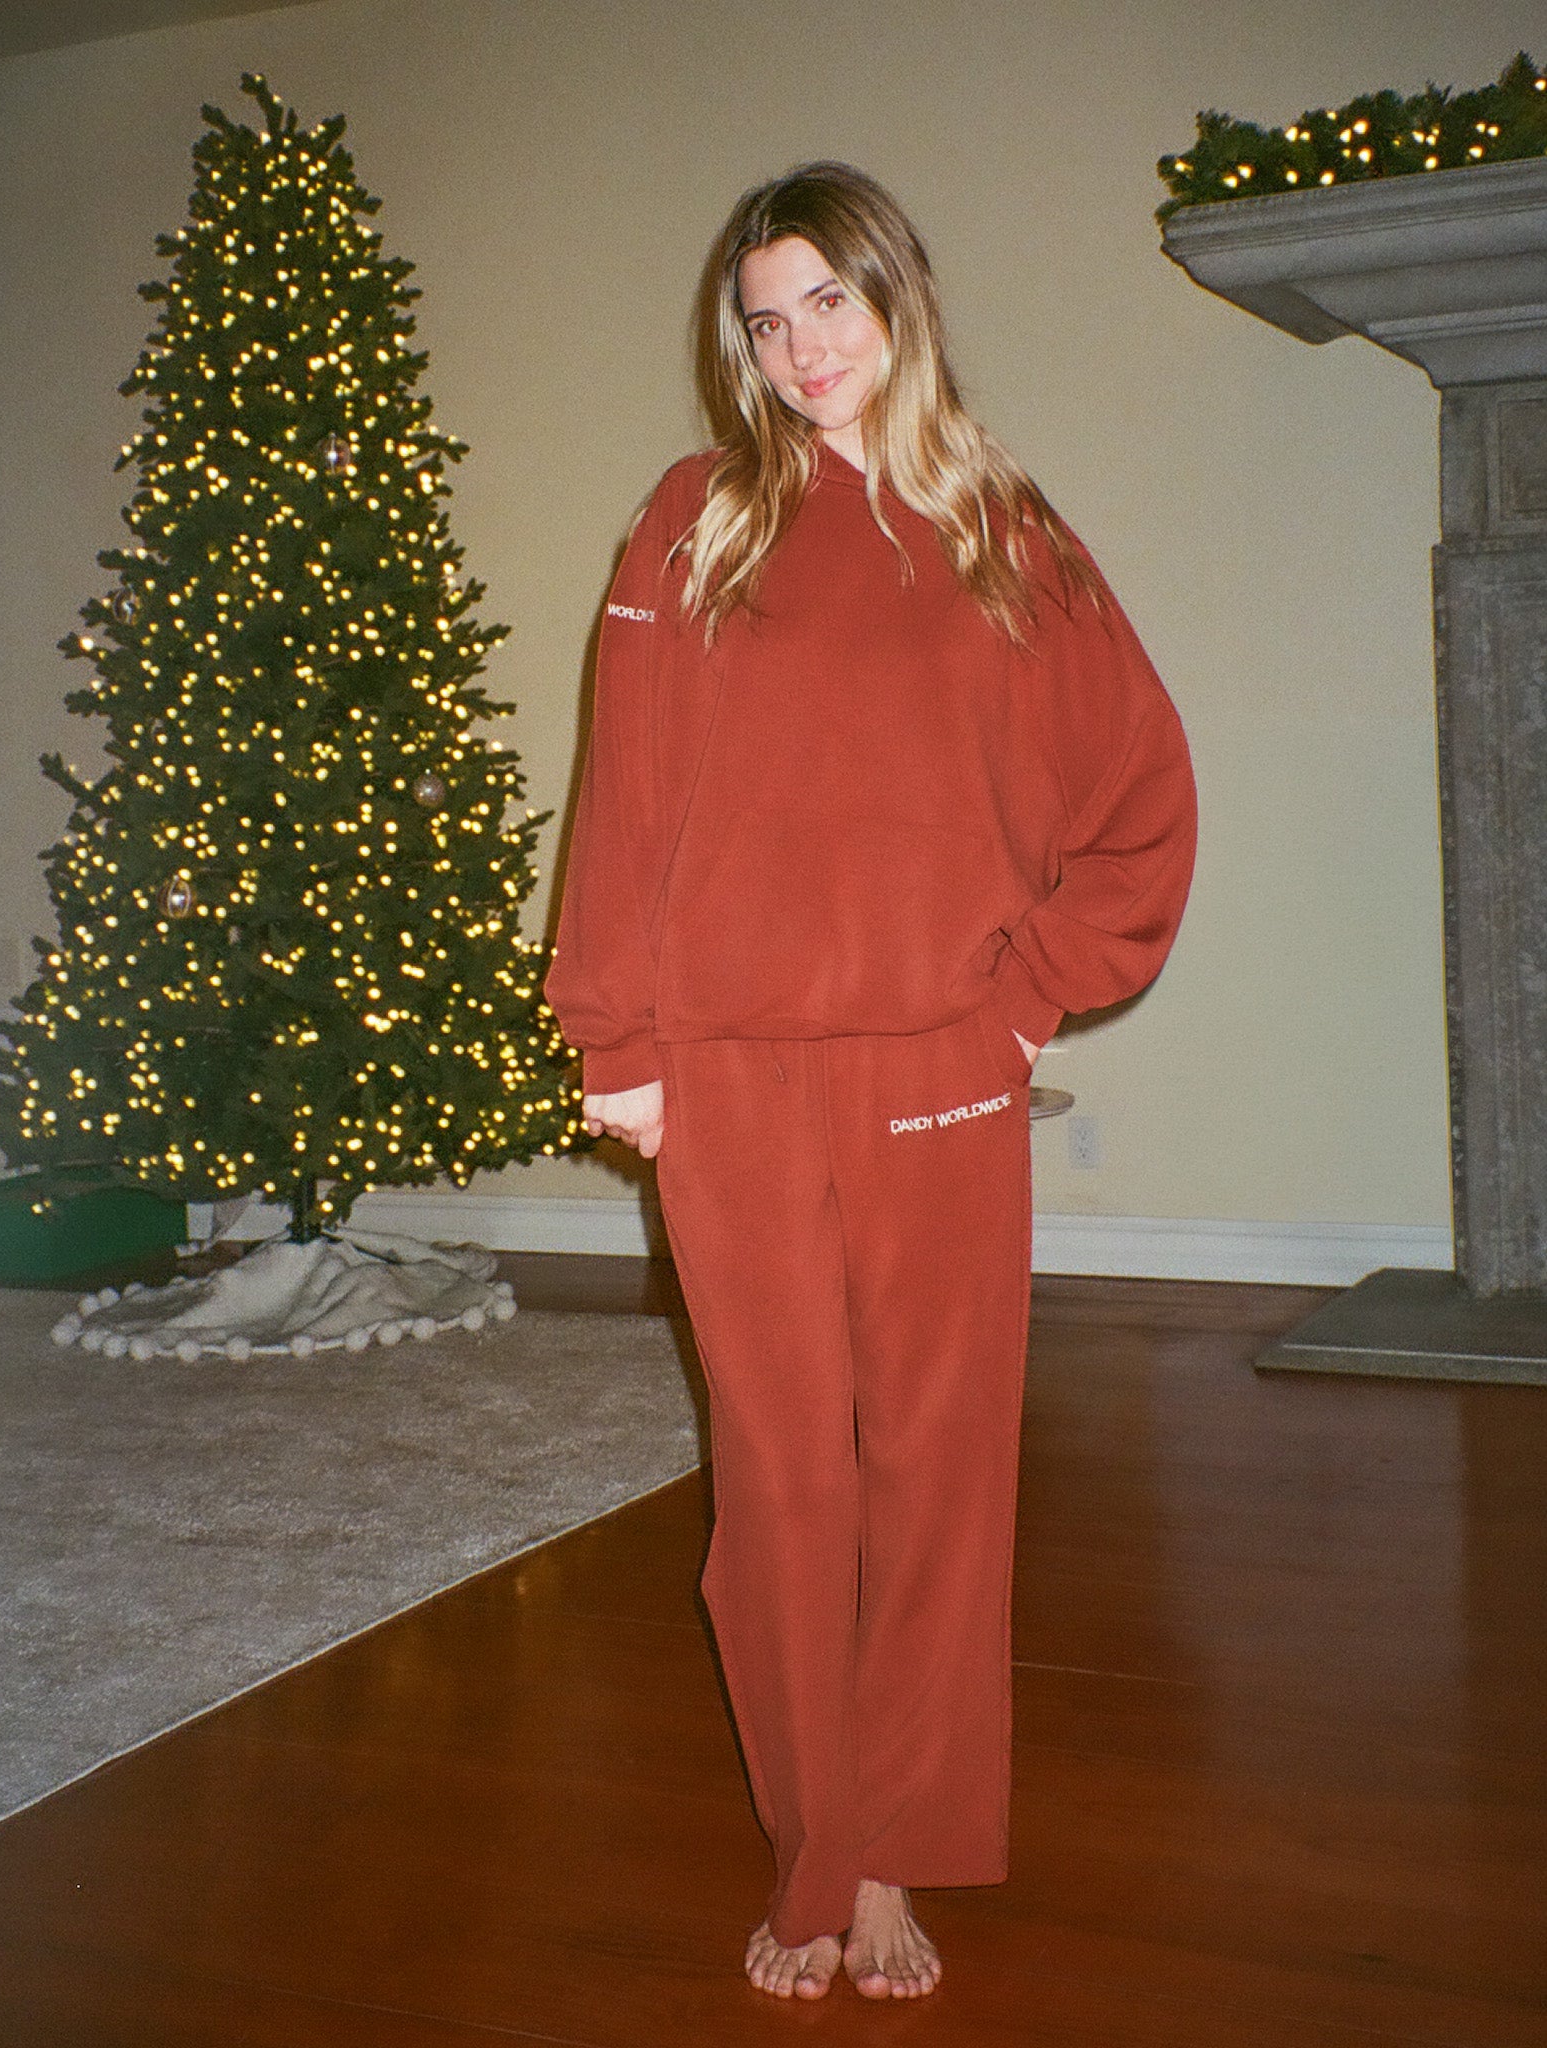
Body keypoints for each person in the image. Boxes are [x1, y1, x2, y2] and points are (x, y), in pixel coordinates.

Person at [545, 162, 1196, 2001]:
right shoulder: (695, 520)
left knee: (931, 1476)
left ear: (896, 300)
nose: (799, 345)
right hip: (731, 1084)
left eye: (826, 300)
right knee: (776, 1487)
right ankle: (813, 1853)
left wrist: (1018, 1016)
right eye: (766, 318)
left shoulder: (1006, 533)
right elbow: (628, 797)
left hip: (936, 1075)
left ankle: (894, 1855)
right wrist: (621, 1043)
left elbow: (1141, 802)